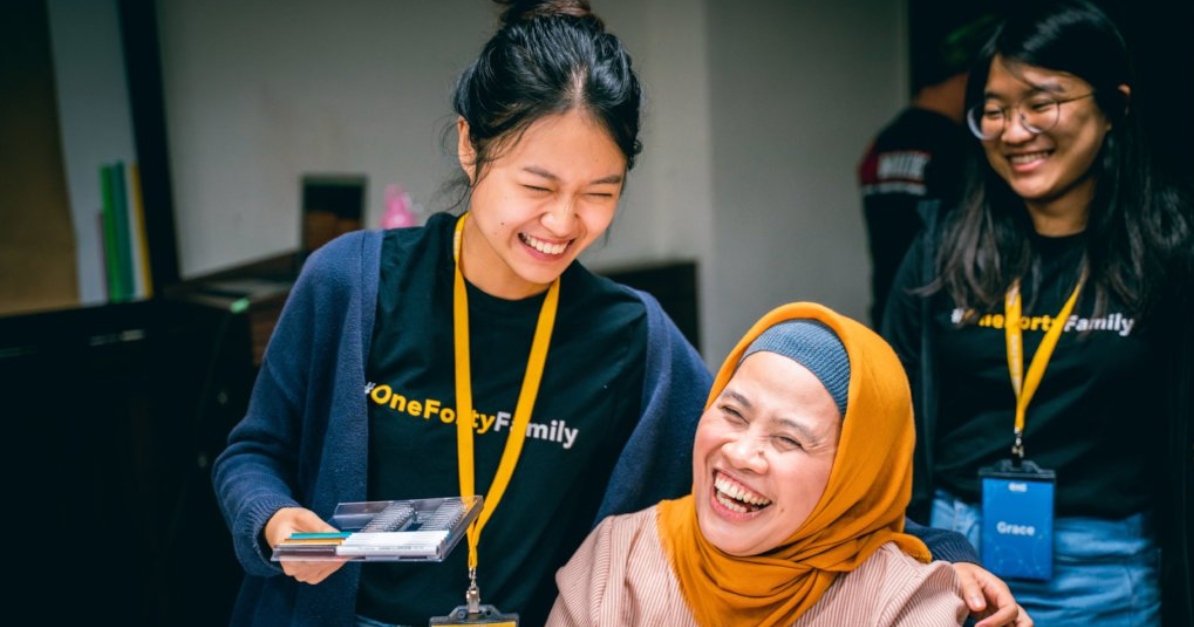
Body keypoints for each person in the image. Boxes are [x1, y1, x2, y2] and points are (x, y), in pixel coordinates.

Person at [212, 1, 1029, 626]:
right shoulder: (353, 282)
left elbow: (767, 462)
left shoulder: (631, 340)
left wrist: (944, 552)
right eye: (537, 186)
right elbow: (252, 452)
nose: (563, 223)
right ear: (471, 145)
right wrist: (277, 520)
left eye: (599, 194)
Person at [881, 1, 1194, 625]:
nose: (1014, 129)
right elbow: (889, 397)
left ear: (1114, 105)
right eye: (995, 110)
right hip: (952, 558)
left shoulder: (1171, 249)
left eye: (1041, 102)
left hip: (1106, 571)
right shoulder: (942, 245)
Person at [548, 301, 968, 626]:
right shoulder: (618, 557)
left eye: (788, 439)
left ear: (853, 478)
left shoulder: (906, 603)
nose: (741, 454)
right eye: (732, 412)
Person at [857, 13, 998, 330]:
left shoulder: (881, 142)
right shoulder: (958, 148)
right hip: (940, 315)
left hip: (888, 309)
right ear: (967, 79)